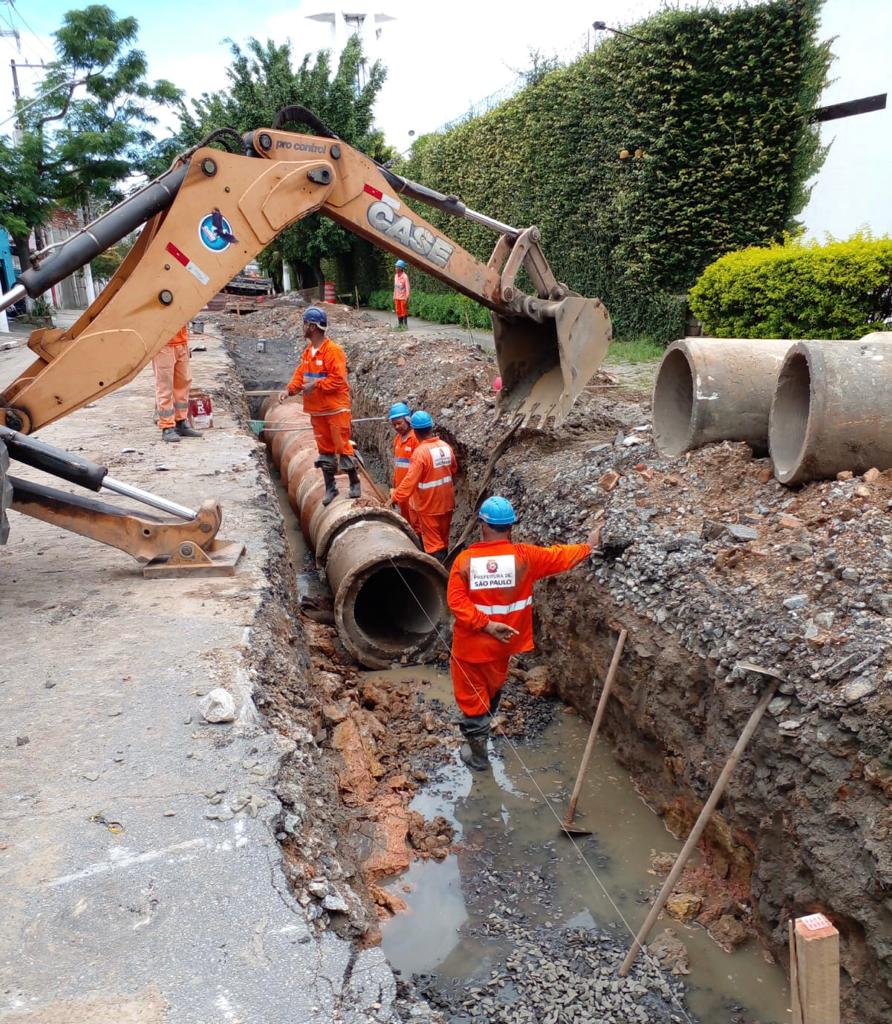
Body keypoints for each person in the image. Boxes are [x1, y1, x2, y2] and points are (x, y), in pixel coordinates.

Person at [447, 496, 603, 770]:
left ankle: (479, 757)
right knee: (492, 687)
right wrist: (588, 546)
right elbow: (560, 556)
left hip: (471, 648)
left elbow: (456, 602)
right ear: (510, 527)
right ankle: (486, 725)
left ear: (483, 525)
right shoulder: (525, 558)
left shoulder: (465, 561)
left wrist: (485, 624)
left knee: (472, 699)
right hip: (505, 645)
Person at [278, 306, 360, 506]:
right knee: (324, 449)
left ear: (312, 327)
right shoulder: (308, 353)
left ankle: (354, 482)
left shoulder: (333, 351)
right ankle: (330, 487)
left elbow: (338, 381)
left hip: (336, 408)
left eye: (305, 323)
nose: (303, 327)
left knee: (342, 446)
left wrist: (315, 385)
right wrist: (289, 390)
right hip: (317, 411)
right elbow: (300, 375)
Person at [389, 410, 456, 561]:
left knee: (433, 544)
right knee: (443, 540)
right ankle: (445, 565)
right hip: (446, 503)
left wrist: (395, 496)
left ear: (415, 430)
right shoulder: (445, 447)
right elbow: (453, 470)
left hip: (429, 505)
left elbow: (409, 482)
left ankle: (438, 575)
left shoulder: (420, 453)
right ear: (431, 427)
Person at [153, 325, 202, 442]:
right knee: (165, 386)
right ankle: (167, 426)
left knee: (183, 383)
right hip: (163, 344)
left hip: (181, 343)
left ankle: (181, 421)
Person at [388, 402, 419, 530]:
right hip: (402, 492)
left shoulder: (415, 440)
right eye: (394, 424)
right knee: (407, 522)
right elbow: (397, 467)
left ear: (408, 419)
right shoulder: (397, 439)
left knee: (416, 525)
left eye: (399, 423)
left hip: (413, 492)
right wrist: (395, 488)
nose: (396, 426)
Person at [393, 259, 410, 329]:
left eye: (397, 267)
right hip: (397, 297)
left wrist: (407, 297)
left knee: (404, 311)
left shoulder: (405, 277)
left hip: (403, 297)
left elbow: (408, 288)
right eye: (396, 267)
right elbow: (395, 287)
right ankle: (400, 324)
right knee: (398, 311)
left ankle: (405, 325)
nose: (396, 268)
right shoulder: (396, 276)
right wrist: (394, 295)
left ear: (401, 268)